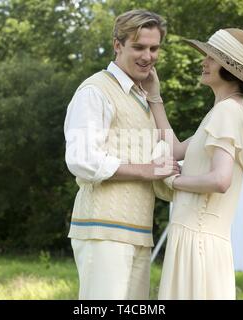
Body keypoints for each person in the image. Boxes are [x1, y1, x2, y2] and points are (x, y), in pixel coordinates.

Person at [63, 9, 179, 300]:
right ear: (117, 45)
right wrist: (145, 170)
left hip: (139, 231)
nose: (148, 56)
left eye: (154, 48)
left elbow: (169, 154)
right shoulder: (95, 91)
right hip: (102, 229)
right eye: (138, 47)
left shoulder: (142, 97)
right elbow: (81, 159)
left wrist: (155, 97)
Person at [143, 28, 243, 299]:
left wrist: (174, 180)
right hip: (199, 241)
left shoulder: (228, 112)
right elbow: (175, 149)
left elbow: (220, 180)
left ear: (230, 68)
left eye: (212, 57)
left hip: (198, 241)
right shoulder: (224, 111)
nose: (203, 62)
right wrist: (154, 96)